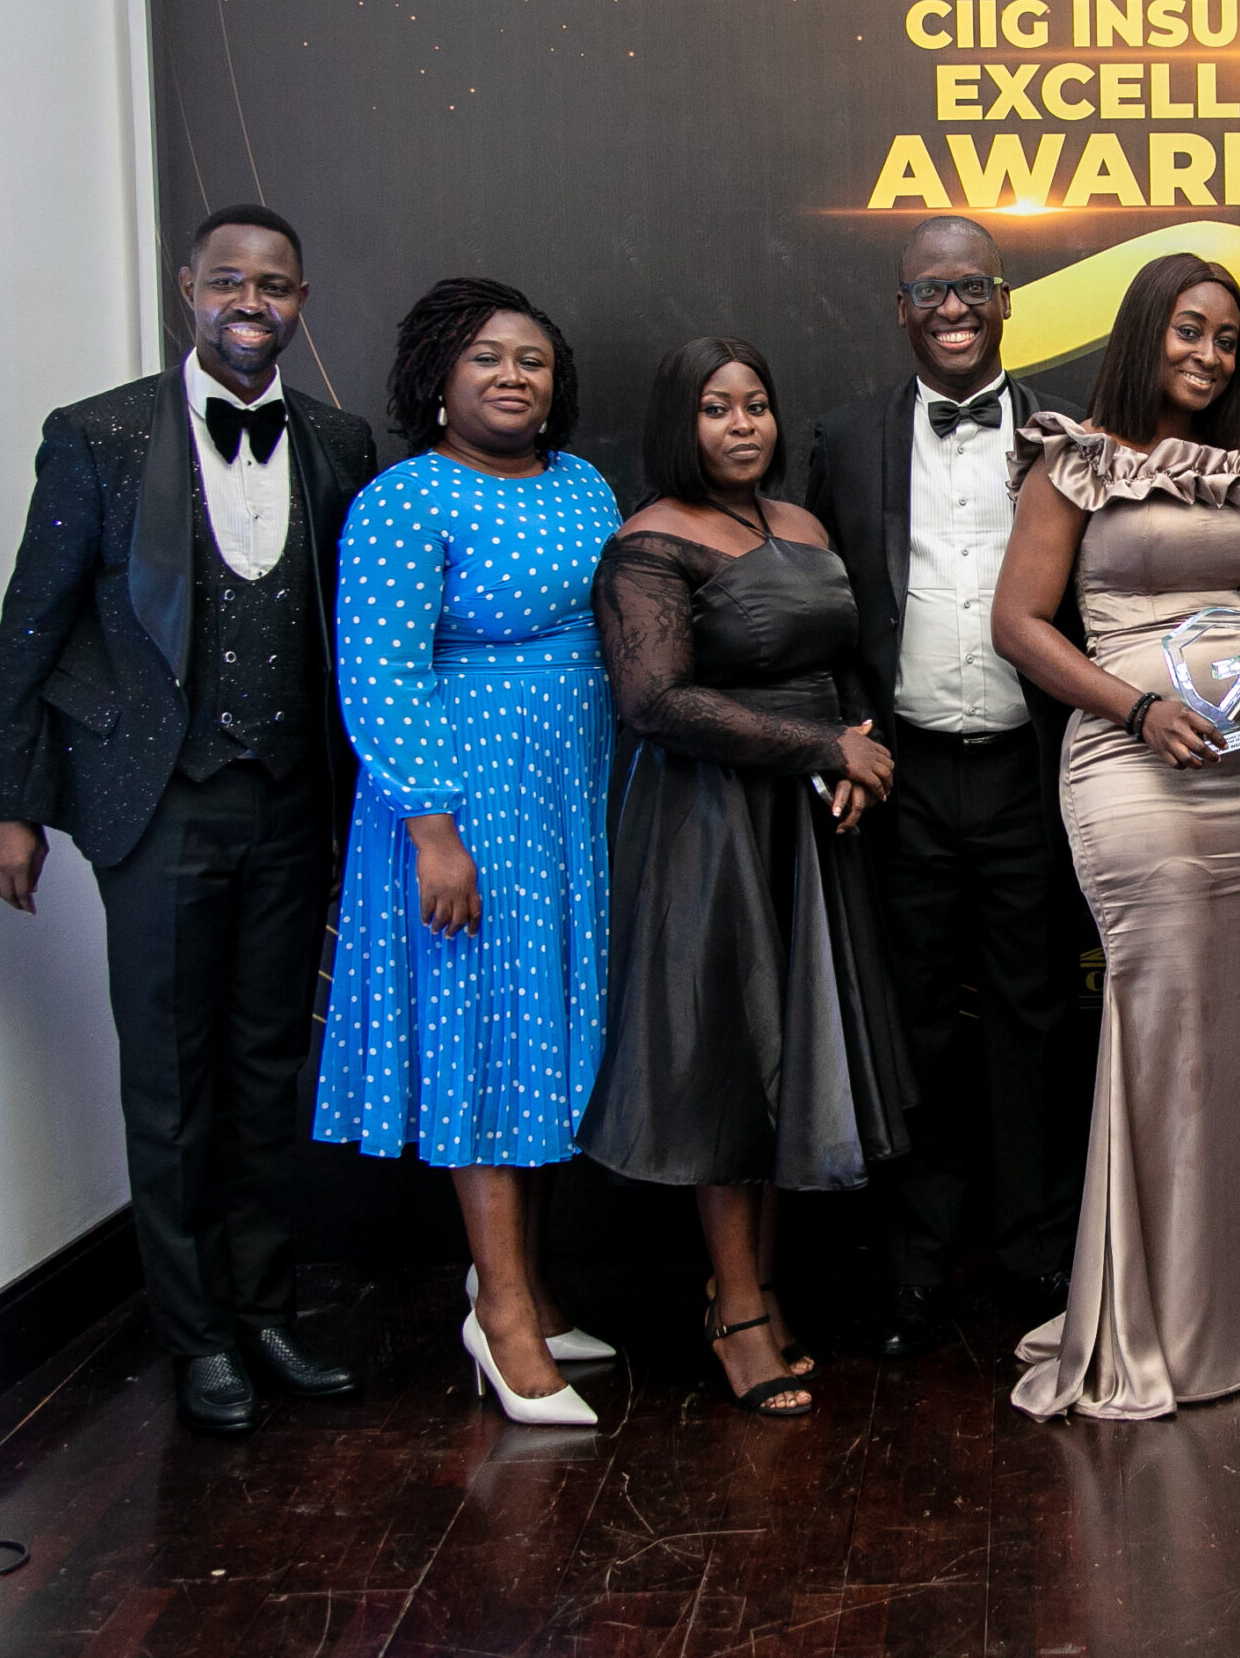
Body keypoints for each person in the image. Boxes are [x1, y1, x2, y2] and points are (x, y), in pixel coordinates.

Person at [0, 205, 374, 1434]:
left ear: (301, 299)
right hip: (155, 800)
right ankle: (195, 1333)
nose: (252, 302)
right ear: (188, 287)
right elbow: (32, 624)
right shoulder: (96, 434)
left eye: (276, 284)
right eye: (229, 281)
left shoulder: (338, 440)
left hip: (293, 796)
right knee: (169, 1076)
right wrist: (12, 804)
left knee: (266, 1067)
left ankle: (264, 1312)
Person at [993, 252, 1240, 1419]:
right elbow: (1017, 624)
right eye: (1188, 330)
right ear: (1144, 330)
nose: (1209, 354)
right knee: (1163, 1028)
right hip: (1133, 771)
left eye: (1226, 337)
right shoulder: (1073, 460)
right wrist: (1138, 709)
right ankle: (1159, 1315)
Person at [579, 336, 910, 1418]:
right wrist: (825, 749)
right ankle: (733, 1313)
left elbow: (841, 662)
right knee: (732, 1060)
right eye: (717, 408)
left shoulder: (803, 524)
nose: (742, 425)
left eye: (756, 405)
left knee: (797, 1054)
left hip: (812, 820)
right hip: (712, 823)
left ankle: (760, 1289)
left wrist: (856, 751)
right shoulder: (648, 542)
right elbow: (656, 702)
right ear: (680, 422)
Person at [313, 277, 623, 1428]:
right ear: (437, 376)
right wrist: (433, 829)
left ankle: (527, 1288)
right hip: (466, 805)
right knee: (489, 1043)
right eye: (486, 355)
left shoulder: (584, 484)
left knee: (545, 1038)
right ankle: (500, 1315)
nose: (511, 375)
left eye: (532, 359)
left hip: (569, 796)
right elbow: (380, 675)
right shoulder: (403, 500)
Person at [805, 215, 1088, 1359]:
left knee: (1036, 1016)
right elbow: (819, 606)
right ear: (902, 308)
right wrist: (841, 735)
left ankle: (1037, 1253)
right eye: (931, 290)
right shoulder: (843, 437)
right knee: (911, 1018)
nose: (954, 307)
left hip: (1030, 764)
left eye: (973, 285)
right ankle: (915, 1263)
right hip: (903, 770)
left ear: (1005, 299)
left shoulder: (1073, 436)